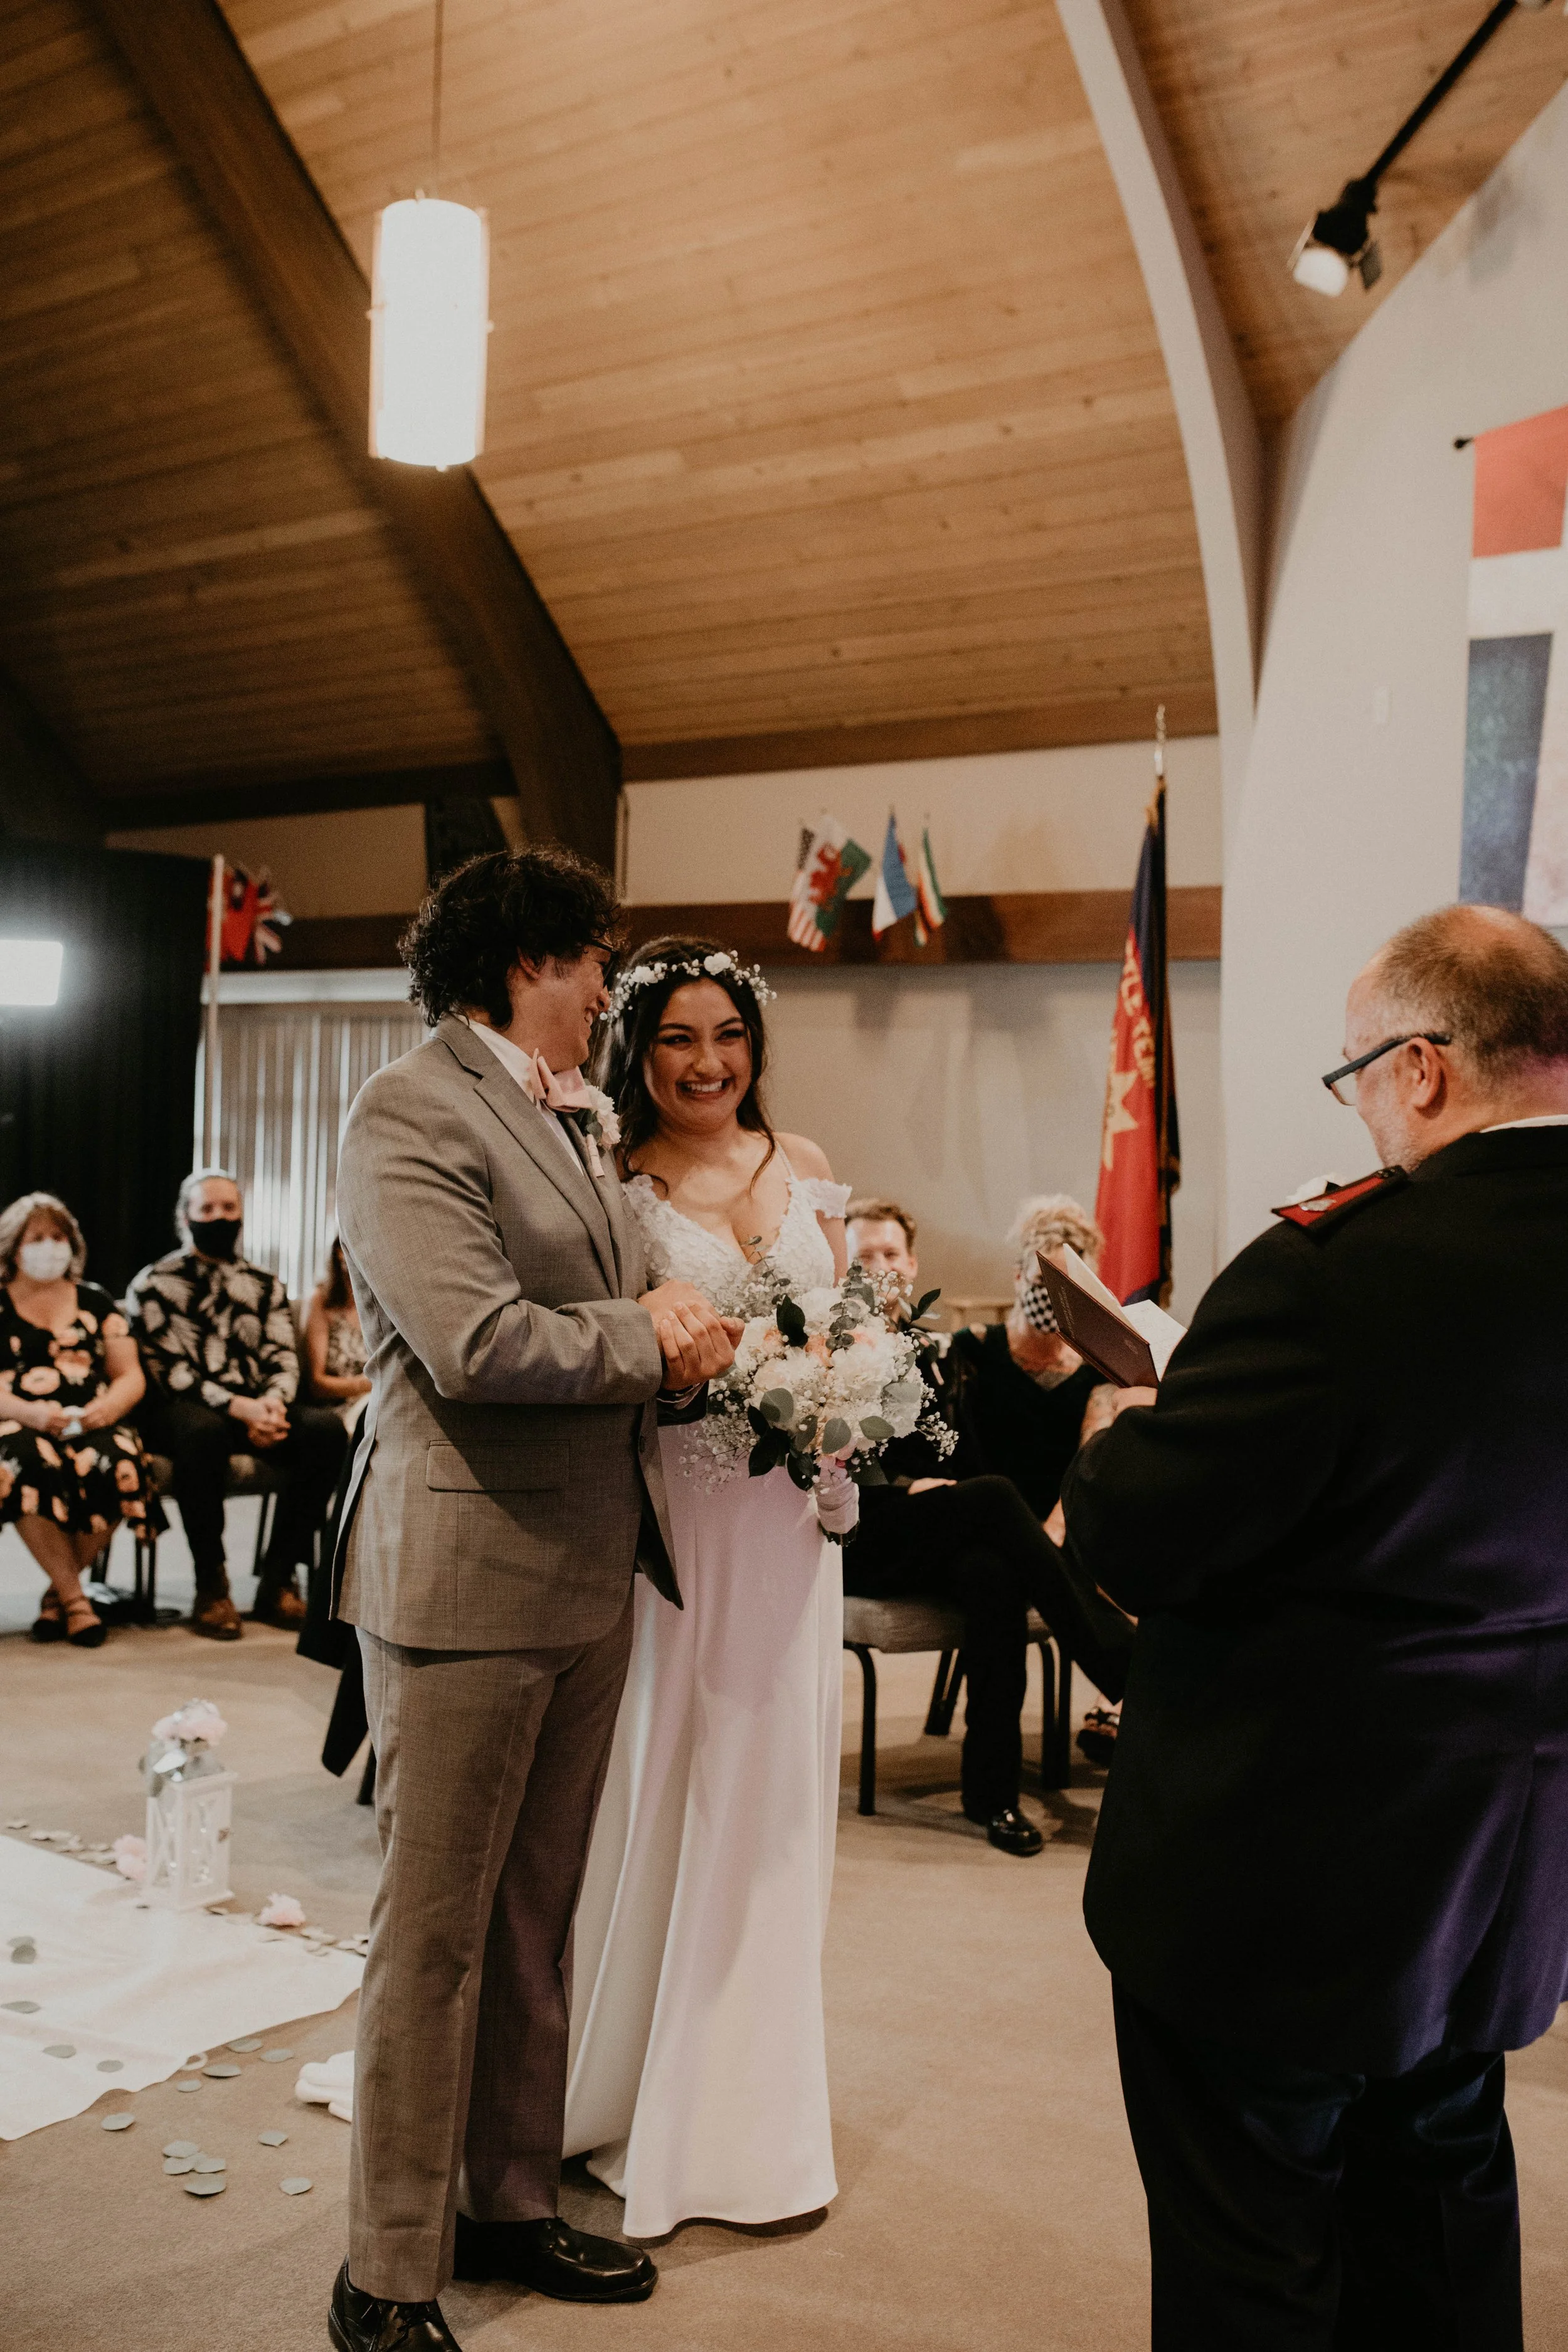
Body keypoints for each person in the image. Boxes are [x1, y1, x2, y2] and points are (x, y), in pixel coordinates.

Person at [1059, 903, 1568, 2349]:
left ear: (1421, 1066)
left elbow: (1142, 1534)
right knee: (1447, 2198)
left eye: (1351, 1075)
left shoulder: (1336, 1268)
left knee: (1257, 2249)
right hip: (1514, 1861)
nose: (1357, 1111)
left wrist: (1117, 1433)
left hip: (1289, 1865)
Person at [326, 854, 736, 2352]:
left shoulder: (575, 1111)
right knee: (432, 1932)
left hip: (587, 1562)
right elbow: (476, 1338)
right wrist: (647, 1328)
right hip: (468, 1569)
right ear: (524, 964)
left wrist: (686, 1340)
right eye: (594, 964)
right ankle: (385, 2263)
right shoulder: (409, 1110)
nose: (609, 990)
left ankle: (505, 2192)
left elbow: (611, 1307)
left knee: (537, 1915)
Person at [563, 935, 849, 2238]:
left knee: (776, 1794)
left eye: (725, 1035)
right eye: (675, 1037)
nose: (705, 1062)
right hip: (678, 1518)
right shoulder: (609, 1184)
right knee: (672, 1775)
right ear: (637, 1049)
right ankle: (622, 2086)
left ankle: (746, 2111)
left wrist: (852, 1411)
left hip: (792, 1527)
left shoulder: (807, 1168)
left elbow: (847, 1333)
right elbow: (607, 1350)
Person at [842, 1196, 1135, 1853]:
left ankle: (991, 1794)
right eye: (863, 1257)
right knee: (997, 1498)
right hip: (858, 1534)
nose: (880, 1267)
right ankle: (1125, 1670)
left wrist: (955, 1492)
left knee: (993, 1572)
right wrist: (902, 1483)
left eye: (891, 1254)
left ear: (912, 1263)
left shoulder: (929, 1353)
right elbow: (812, 1462)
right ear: (842, 1266)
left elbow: (961, 1454)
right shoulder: (823, 1343)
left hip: (928, 1530)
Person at [127, 1170, 347, 1640]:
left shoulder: (265, 1284)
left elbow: (283, 1355)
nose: (219, 1217)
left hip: (259, 1406)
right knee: (201, 1433)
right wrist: (239, 1409)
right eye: (207, 1209)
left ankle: (278, 1577)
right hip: (184, 1409)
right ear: (186, 1217)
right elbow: (172, 1372)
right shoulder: (155, 1284)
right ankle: (212, 1583)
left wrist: (272, 1405)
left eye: (228, 1208)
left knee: (326, 1431)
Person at [0, 1191, 155, 1648]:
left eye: (58, 1236)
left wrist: (106, 1410)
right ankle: (76, 1601)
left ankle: (58, 1595)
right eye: (37, 1238)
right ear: (13, 1246)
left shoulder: (97, 1301)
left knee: (124, 1458)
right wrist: (31, 1412)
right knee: (23, 1460)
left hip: (91, 1420)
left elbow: (130, 1374)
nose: (50, 1246)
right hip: (18, 1420)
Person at [304, 1234, 372, 1428]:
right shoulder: (322, 1302)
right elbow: (316, 1384)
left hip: (376, 1403)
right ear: (339, 1253)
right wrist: (364, 1385)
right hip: (337, 1412)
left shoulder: (380, 1307)